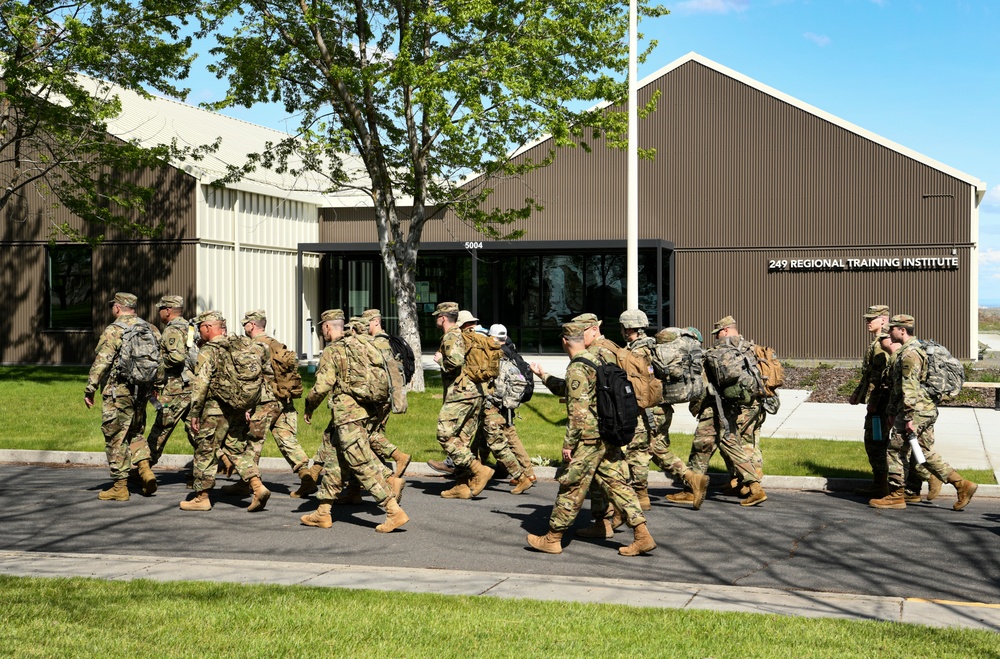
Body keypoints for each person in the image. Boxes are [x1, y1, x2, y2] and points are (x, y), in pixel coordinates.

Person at [526, 321, 656, 556]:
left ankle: (553, 538)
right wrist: (543, 375)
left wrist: (569, 444)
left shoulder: (577, 367)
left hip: (588, 439)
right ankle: (642, 535)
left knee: (571, 485)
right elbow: (569, 389)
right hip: (607, 434)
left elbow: (578, 411)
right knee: (618, 485)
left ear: (565, 341)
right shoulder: (597, 360)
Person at [300, 309, 408, 532]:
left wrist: (308, 407)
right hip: (365, 412)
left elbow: (321, 386)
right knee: (336, 461)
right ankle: (323, 512)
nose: (323, 333)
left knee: (361, 464)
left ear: (329, 327)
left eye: (323, 328)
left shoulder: (335, 351)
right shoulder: (362, 345)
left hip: (347, 416)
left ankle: (393, 510)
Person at [870, 314, 977, 511]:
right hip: (925, 409)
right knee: (924, 451)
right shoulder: (912, 350)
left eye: (892, 328)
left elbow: (909, 387)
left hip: (915, 410)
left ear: (902, 330)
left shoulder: (909, 354)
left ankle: (896, 495)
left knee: (895, 450)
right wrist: (892, 410)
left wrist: (908, 417)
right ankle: (962, 485)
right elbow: (899, 386)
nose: (889, 331)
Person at [179, 311, 272, 512]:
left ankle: (202, 498)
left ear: (208, 328)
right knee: (236, 449)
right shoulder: (238, 346)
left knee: (205, 450)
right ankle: (257, 486)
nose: (201, 332)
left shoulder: (209, 351)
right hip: (237, 407)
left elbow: (201, 384)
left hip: (215, 410)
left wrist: (195, 412)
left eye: (202, 327)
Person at [617, 309, 709, 511]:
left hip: (647, 410)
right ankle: (693, 479)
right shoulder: (654, 346)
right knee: (656, 448)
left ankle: (642, 497)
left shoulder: (636, 352)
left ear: (627, 328)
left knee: (637, 452)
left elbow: (635, 386)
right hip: (662, 409)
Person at [222, 309, 317, 499]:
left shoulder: (256, 346)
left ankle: (245, 483)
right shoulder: (275, 343)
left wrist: (248, 405)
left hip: (265, 400)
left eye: (245, 324)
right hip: (283, 399)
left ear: (252, 325)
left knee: (253, 441)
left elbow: (252, 377)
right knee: (286, 439)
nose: (244, 328)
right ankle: (306, 476)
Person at [674, 316, 767, 508]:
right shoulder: (746, 349)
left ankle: (692, 490)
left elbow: (703, 385)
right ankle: (753, 487)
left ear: (724, 331)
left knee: (703, 445)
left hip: (715, 409)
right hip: (734, 405)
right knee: (727, 444)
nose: (716, 337)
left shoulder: (711, 354)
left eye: (717, 333)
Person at [84, 292, 159, 500]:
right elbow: (159, 361)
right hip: (142, 391)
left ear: (117, 308)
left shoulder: (114, 329)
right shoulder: (150, 328)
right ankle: (145, 470)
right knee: (135, 431)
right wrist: (155, 387)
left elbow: (103, 360)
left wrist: (90, 387)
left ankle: (120, 486)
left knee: (115, 435)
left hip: (119, 392)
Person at [431, 303, 495, 499]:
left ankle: (479, 470)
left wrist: (440, 360)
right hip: (475, 392)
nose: (436, 320)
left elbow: (456, 361)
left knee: (445, 435)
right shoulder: (465, 334)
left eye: (437, 317)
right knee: (462, 440)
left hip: (460, 393)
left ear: (443, 318)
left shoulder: (451, 335)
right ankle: (461, 485)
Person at [145, 295, 197, 468]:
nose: (159, 312)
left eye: (160, 309)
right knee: (194, 428)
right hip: (192, 384)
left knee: (161, 427)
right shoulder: (189, 327)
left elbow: (177, 356)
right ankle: (223, 458)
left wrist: (159, 362)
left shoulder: (171, 330)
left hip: (176, 387)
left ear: (167, 310)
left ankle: (142, 468)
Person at [849, 305, 892, 497]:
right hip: (881, 402)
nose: (867, 322)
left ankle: (881, 483)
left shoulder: (882, 343)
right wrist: (858, 393)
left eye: (871, 318)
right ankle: (882, 482)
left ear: (883, 319)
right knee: (880, 440)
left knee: (874, 440)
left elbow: (880, 378)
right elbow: (868, 374)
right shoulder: (879, 341)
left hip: (881, 403)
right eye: (867, 318)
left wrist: (874, 402)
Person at [363, 308, 412, 479]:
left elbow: (387, 373)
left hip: (380, 398)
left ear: (376, 321)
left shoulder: (379, 343)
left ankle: (399, 456)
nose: (364, 326)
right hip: (383, 396)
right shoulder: (380, 341)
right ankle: (380, 475)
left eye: (367, 322)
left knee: (365, 433)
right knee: (376, 433)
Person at [488, 323, 536, 489]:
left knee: (507, 436)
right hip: (510, 401)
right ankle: (526, 472)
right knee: (508, 435)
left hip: (498, 403)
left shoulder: (498, 354)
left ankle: (525, 473)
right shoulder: (512, 351)